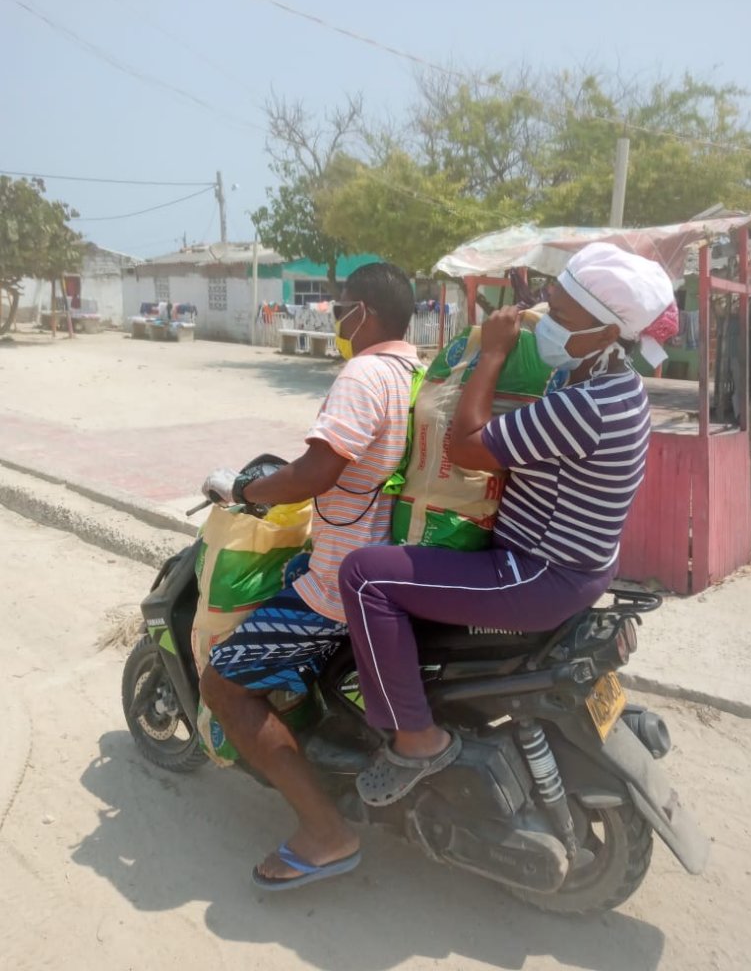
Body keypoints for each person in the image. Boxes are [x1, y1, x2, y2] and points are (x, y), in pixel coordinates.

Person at [338, 243, 676, 808]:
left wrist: (491, 354)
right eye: (549, 302)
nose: (546, 321)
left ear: (607, 331)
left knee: (364, 577)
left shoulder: (588, 404)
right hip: (581, 565)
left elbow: (466, 448)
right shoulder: (616, 384)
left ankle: (416, 738)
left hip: (537, 575)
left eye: (562, 317)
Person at [198, 262, 420, 889]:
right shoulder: (416, 373)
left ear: (365, 314)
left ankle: (326, 832)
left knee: (224, 686)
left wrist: (247, 489)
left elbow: (316, 472)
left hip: (337, 590)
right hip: (390, 569)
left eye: (340, 307)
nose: (335, 319)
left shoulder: (365, 372)